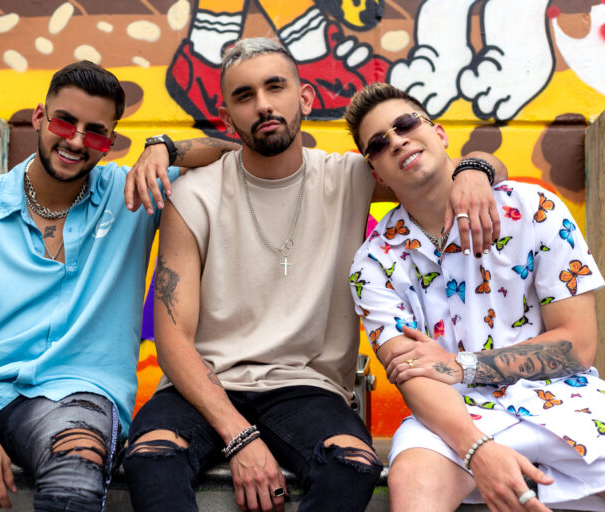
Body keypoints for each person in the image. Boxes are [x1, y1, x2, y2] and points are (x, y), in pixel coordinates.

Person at [121, 38, 506, 512]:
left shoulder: (352, 177)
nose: (263, 105)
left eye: (275, 87)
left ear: (304, 98)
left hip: (307, 387)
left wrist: (474, 171)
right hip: (204, 384)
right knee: (152, 457)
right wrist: (240, 436)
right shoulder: (193, 195)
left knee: (353, 465)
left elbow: (443, 166)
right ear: (228, 117)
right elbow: (173, 340)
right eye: (244, 96)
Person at [0, 60, 235, 511]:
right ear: (39, 117)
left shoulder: (131, 194)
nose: (75, 141)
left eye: (95, 133)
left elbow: (234, 152)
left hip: (76, 396)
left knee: (74, 484)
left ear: (110, 142)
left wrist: (164, 147)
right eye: (64, 122)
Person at [346, 82, 605, 512]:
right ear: (377, 174)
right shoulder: (373, 263)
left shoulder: (533, 208)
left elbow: (577, 345)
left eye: (406, 124)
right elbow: (413, 373)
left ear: (439, 133)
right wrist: (477, 448)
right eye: (378, 144)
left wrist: (462, 365)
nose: (396, 140)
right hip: (452, 417)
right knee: (412, 481)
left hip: (571, 400)